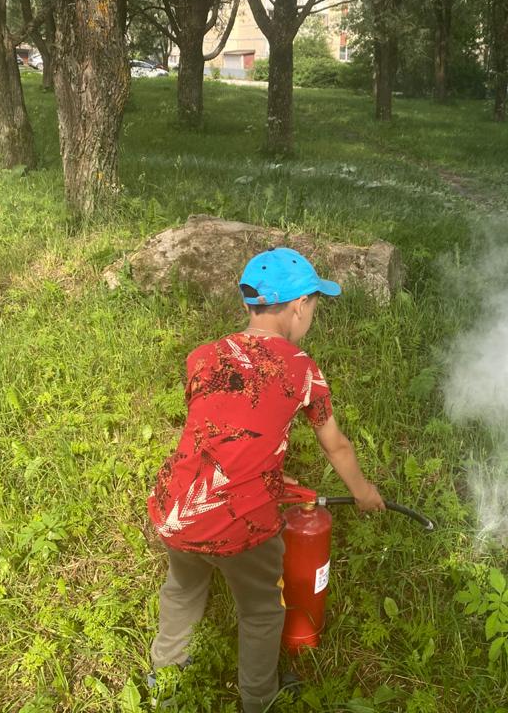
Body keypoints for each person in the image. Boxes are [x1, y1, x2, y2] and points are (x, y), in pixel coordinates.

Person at [147, 247, 385, 712]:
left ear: (249, 304)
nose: (311, 317)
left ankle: (164, 680)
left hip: (176, 509)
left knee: (182, 589)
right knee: (260, 610)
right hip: (241, 521)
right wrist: (363, 492)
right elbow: (335, 444)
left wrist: (267, 469)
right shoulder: (301, 368)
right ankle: (259, 699)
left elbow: (221, 433)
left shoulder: (203, 356)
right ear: (299, 306)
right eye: (313, 307)